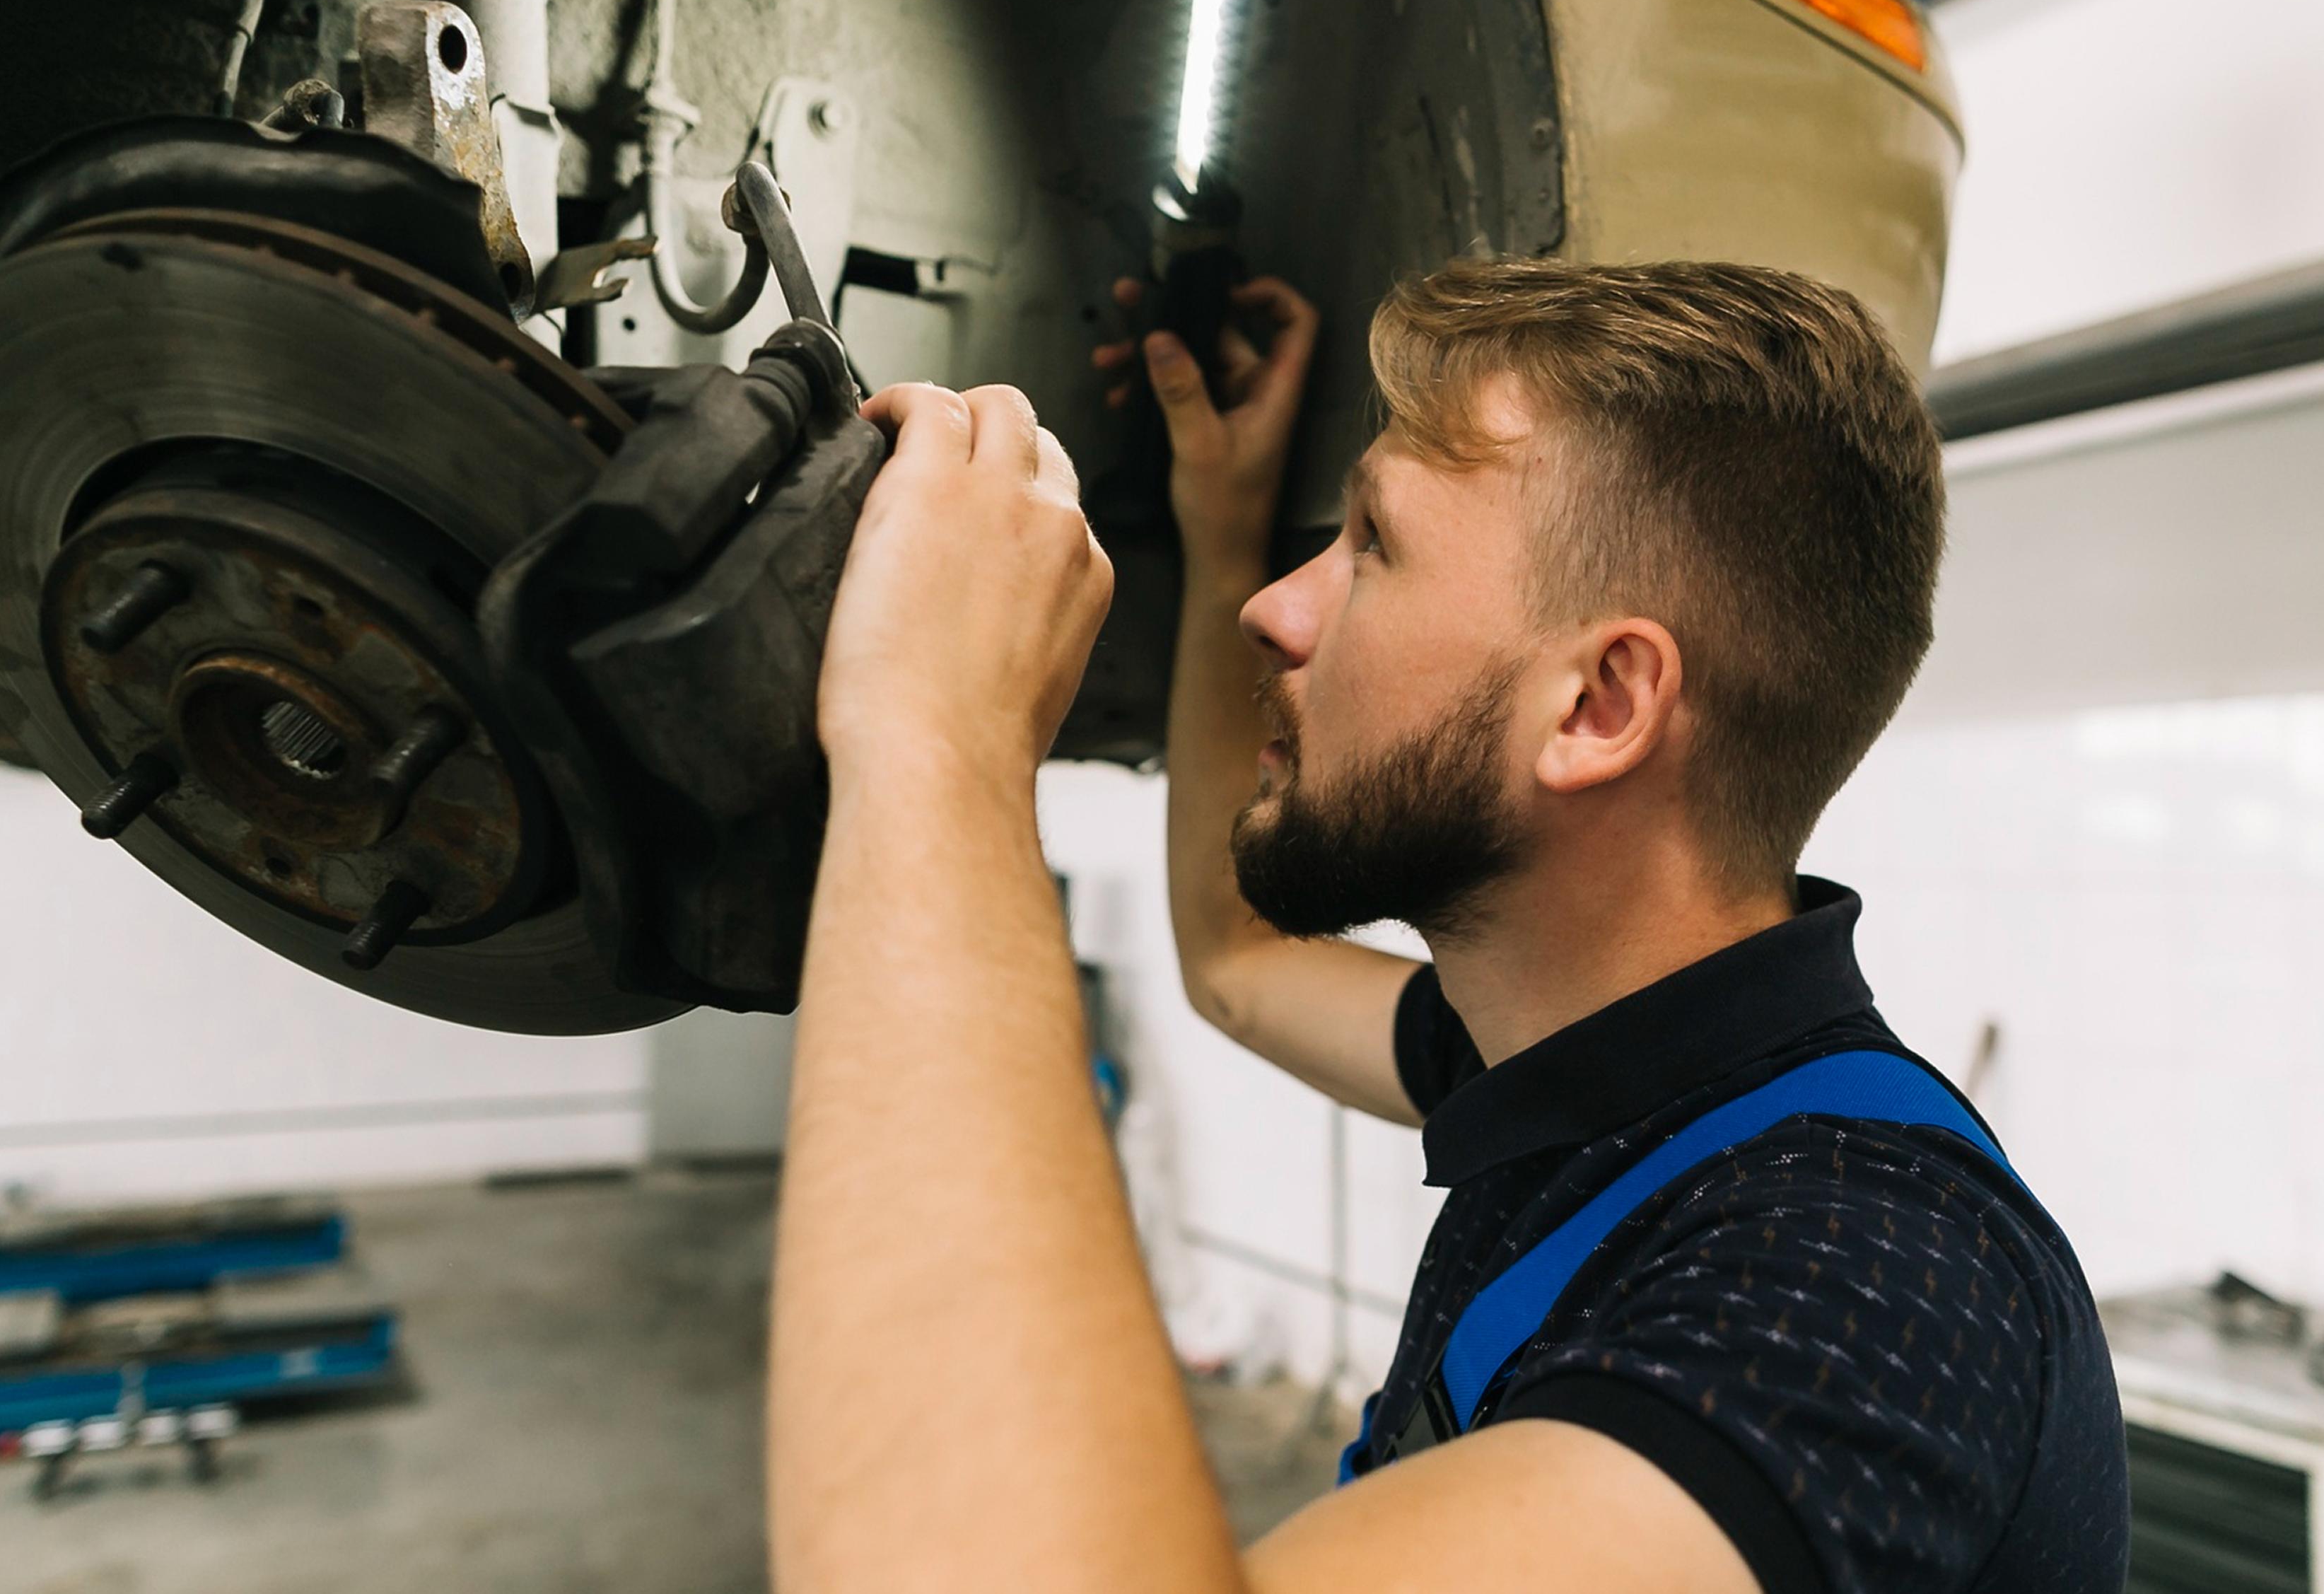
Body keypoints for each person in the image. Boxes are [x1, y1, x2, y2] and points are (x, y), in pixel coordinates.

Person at [768, 258, 2131, 1594]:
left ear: (1599, 706)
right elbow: (1239, 963)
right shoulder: (1593, 1067)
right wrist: (1220, 519)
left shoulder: (1857, 1286)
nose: (1273, 609)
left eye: (1373, 546)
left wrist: (932, 732)